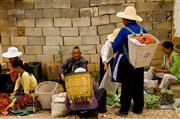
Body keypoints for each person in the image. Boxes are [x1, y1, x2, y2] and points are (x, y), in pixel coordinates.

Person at [112, 6, 147, 116]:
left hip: (127, 61)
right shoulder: (143, 30)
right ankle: (138, 108)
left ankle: (123, 110)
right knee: (138, 84)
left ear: (126, 20)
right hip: (140, 61)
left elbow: (115, 47)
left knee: (127, 86)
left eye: (123, 18)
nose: (122, 20)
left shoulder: (124, 31)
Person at [99, 28, 120, 92]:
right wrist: (105, 64)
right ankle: (102, 92)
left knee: (114, 77)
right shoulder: (107, 44)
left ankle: (114, 92)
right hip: (105, 60)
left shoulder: (120, 43)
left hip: (113, 59)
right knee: (104, 77)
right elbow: (104, 55)